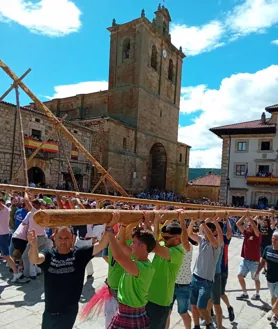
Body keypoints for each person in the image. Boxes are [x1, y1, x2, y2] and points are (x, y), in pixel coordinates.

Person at [27, 226, 110, 329]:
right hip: (50, 309)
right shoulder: (49, 254)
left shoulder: (80, 254)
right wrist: (33, 246)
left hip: (69, 311)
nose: (63, 241)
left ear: (72, 239)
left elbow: (102, 244)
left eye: (66, 238)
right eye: (60, 238)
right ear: (54, 238)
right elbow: (35, 259)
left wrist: (109, 227)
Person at [106, 212, 156, 329]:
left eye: (134, 243)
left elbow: (118, 256)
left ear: (142, 247)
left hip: (131, 313)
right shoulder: (138, 260)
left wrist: (109, 230)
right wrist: (123, 226)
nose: (131, 245)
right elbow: (122, 244)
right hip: (126, 312)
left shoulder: (143, 268)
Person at [146, 212, 184, 329]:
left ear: (177, 238)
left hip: (160, 300)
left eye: (167, 238)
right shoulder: (165, 245)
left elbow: (153, 244)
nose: (164, 240)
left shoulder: (178, 252)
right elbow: (151, 238)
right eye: (163, 237)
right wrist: (147, 222)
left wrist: (156, 222)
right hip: (149, 296)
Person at [188, 217, 221, 329]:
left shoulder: (216, 245)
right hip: (195, 276)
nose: (205, 232)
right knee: (193, 305)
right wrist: (192, 221)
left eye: (208, 231)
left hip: (206, 280)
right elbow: (189, 234)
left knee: (201, 307)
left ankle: (208, 322)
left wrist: (203, 223)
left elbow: (211, 238)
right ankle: (196, 325)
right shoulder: (201, 239)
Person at [166, 210, 192, 329]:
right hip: (172, 283)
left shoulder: (186, 246)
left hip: (183, 285)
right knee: (167, 312)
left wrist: (181, 221)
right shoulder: (172, 247)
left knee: (183, 312)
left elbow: (185, 237)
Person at [255, 230, 278, 326]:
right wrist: (257, 271)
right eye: (273, 238)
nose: (274, 240)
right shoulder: (267, 248)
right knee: (273, 297)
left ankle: (274, 315)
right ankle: (275, 313)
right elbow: (262, 261)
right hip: (270, 278)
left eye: (276, 239)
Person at [236, 216, 261, 300]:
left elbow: (255, 227)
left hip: (254, 262)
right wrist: (244, 216)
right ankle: (244, 293)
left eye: (250, 225)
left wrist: (249, 217)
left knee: (255, 279)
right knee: (239, 275)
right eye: (248, 225)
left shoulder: (257, 235)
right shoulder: (246, 233)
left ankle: (257, 294)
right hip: (245, 260)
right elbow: (238, 224)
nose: (248, 227)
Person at [0, 198, 23, 282]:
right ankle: (16, 272)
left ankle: (16, 272)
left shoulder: (6, 210)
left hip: (3, 235)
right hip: (2, 234)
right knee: (6, 256)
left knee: (6, 255)